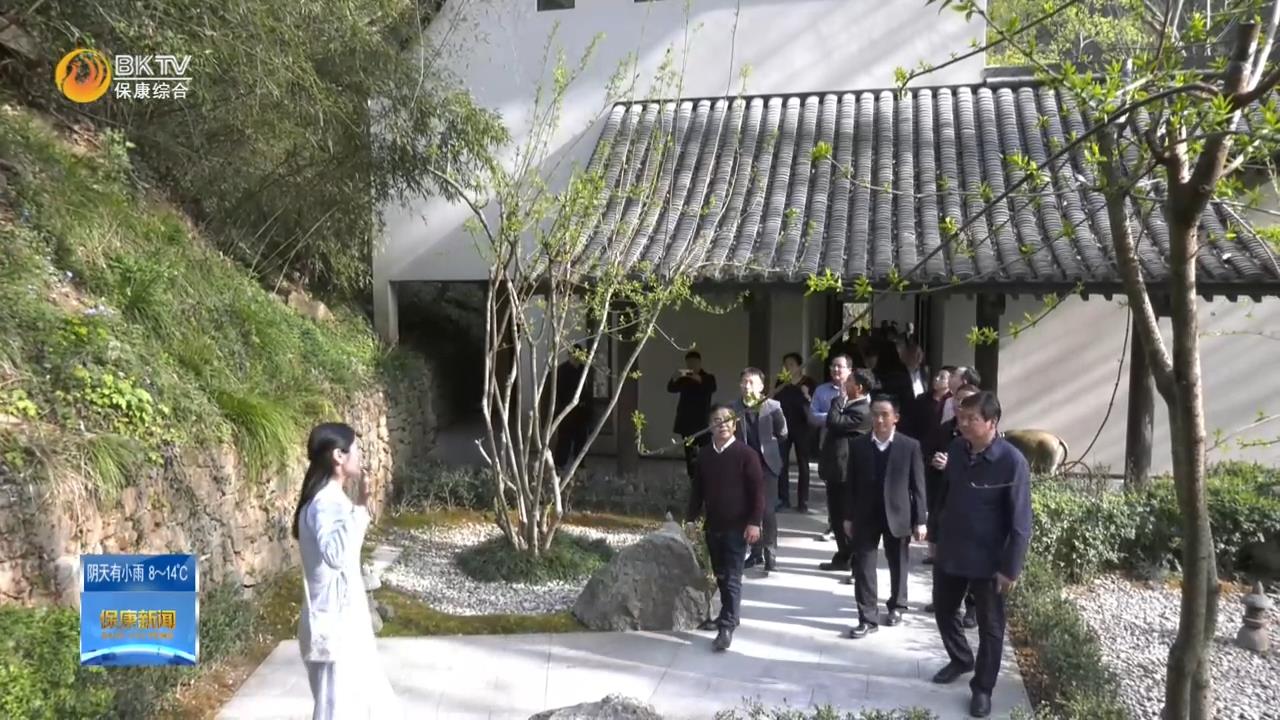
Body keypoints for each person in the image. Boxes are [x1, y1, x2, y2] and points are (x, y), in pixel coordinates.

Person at [928, 391, 1033, 719]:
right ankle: (961, 659)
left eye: (971, 418)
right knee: (944, 610)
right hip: (952, 549)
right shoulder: (957, 449)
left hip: (989, 559)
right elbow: (944, 496)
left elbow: (1021, 522)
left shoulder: (1011, 462)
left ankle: (983, 688)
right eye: (961, 417)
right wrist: (934, 535)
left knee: (990, 628)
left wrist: (1011, 568)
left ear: (992, 422)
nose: (963, 423)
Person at [293, 423, 401, 720]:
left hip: (340, 623)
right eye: (356, 449)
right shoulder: (325, 503)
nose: (361, 455)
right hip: (334, 628)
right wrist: (362, 507)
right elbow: (335, 555)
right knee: (337, 710)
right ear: (338, 456)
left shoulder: (328, 500)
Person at [843, 394, 927, 638]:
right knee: (863, 566)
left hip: (898, 514)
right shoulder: (858, 445)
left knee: (898, 562)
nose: (879, 420)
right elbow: (850, 484)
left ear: (895, 418)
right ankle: (867, 617)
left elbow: (918, 486)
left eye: (885, 415)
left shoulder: (909, 446)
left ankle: (897, 606)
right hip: (865, 514)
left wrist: (921, 520)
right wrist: (848, 516)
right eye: (875, 414)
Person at [686, 404, 764, 652]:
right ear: (710, 425)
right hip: (714, 525)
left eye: (727, 420)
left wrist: (754, 522)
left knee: (732, 577)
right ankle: (727, 615)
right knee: (720, 575)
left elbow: (758, 493)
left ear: (735, 424)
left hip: (738, 527)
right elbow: (697, 491)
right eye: (717, 420)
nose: (722, 424)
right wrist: (691, 519)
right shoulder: (705, 455)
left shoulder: (746, 455)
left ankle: (727, 626)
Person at [732, 367, 788, 573]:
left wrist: (769, 445)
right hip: (743, 464)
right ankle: (755, 552)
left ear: (761, 386)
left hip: (767, 464)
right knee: (748, 508)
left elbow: (783, 433)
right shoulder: (733, 408)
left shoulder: (773, 407)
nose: (747, 386)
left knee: (767, 510)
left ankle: (770, 553)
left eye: (752, 382)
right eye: (744, 382)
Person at [818, 368, 874, 573]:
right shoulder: (849, 405)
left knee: (845, 516)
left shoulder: (863, 411)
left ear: (858, 388)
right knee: (836, 515)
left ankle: (854, 559)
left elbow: (834, 422)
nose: (844, 383)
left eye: (849, 380)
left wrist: (838, 400)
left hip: (846, 472)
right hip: (835, 469)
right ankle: (843, 556)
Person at [773, 352, 817, 512]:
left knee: (803, 464)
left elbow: (814, 405)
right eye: (785, 364)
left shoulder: (808, 382)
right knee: (782, 463)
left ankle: (802, 502)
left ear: (799, 366)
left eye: (791, 364)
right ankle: (783, 499)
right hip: (784, 426)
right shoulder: (781, 382)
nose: (788, 367)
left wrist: (806, 394)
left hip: (802, 428)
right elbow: (775, 401)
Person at [668, 350, 717, 480]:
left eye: (694, 363)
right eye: (689, 363)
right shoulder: (684, 379)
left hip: (702, 421)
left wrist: (691, 375)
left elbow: (710, 387)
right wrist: (675, 377)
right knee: (690, 453)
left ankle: (707, 477)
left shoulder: (708, 377)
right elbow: (671, 389)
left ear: (699, 363)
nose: (691, 366)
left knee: (706, 451)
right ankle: (692, 478)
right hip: (687, 422)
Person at [549, 344, 593, 470]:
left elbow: (588, 392)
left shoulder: (584, 371)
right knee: (564, 441)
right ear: (569, 356)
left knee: (581, 441)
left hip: (581, 413)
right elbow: (558, 392)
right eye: (573, 356)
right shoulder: (562, 371)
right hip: (566, 412)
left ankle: (580, 467)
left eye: (578, 357)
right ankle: (559, 467)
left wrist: (588, 409)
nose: (576, 359)